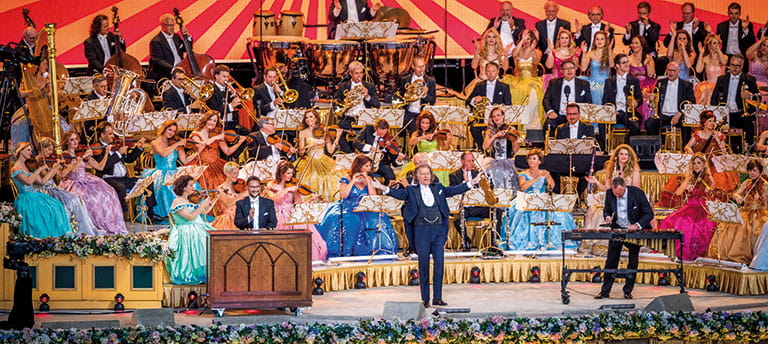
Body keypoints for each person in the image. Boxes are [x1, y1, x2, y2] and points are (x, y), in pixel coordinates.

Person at [372, 164, 480, 308]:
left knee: (439, 264)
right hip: (421, 231)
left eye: (428, 173)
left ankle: (438, 297)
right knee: (423, 265)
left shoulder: (438, 188)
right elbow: (397, 194)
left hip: (438, 230)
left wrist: (471, 182)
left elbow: (454, 190)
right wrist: (381, 187)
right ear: (417, 176)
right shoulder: (411, 190)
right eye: (422, 174)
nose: (426, 176)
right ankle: (425, 298)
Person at [316, 155, 398, 257]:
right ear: (360, 166)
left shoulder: (369, 178)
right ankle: (347, 250)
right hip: (348, 206)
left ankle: (376, 249)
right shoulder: (346, 178)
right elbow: (343, 196)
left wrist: (368, 182)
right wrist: (353, 181)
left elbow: (373, 197)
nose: (369, 168)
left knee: (377, 218)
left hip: (365, 206)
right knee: (349, 219)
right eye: (367, 166)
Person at [501, 149, 577, 251]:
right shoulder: (523, 174)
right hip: (528, 198)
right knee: (519, 211)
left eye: (534, 159)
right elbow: (523, 187)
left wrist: (548, 177)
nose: (531, 161)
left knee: (559, 212)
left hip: (542, 198)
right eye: (530, 159)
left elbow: (552, 186)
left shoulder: (544, 172)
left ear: (539, 161)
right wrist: (536, 178)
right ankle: (529, 242)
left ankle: (552, 241)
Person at [595, 177, 654, 300]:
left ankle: (627, 291)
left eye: (620, 193)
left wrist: (637, 225)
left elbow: (649, 213)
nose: (617, 195)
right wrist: (607, 217)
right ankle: (605, 291)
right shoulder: (610, 193)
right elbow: (607, 210)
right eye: (615, 193)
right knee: (611, 260)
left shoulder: (637, 193)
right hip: (618, 229)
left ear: (625, 187)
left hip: (633, 231)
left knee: (633, 260)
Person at [59, 130, 128, 234]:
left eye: (76, 139)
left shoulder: (81, 153)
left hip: (86, 179)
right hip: (74, 182)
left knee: (108, 192)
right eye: (72, 140)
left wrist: (106, 153)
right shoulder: (65, 156)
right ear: (67, 142)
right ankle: (92, 225)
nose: (75, 142)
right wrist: (82, 158)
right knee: (90, 198)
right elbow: (72, 170)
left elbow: (100, 167)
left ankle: (108, 224)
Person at [583, 144, 642, 254]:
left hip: (628, 199)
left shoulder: (634, 170)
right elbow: (607, 189)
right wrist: (595, 182)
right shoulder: (611, 169)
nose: (624, 156)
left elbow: (636, 190)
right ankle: (602, 243)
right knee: (596, 210)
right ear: (617, 156)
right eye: (621, 154)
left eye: (626, 154)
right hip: (613, 199)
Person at [37, 137, 102, 236]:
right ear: (42, 148)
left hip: (53, 188)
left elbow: (62, 175)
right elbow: (45, 178)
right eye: (49, 149)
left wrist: (73, 164)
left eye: (52, 150)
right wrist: (54, 168)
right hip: (44, 190)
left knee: (76, 199)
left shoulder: (49, 160)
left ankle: (83, 229)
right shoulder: (38, 161)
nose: (51, 152)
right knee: (67, 205)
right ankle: (67, 231)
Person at [707, 159, 768, 265]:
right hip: (746, 209)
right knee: (733, 224)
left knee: (753, 229)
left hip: (759, 212)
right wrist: (737, 196)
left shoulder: (765, 184)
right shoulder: (747, 182)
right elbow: (735, 194)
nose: (751, 173)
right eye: (750, 171)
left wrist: (762, 198)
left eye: (754, 171)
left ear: (760, 171)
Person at [659, 153, 717, 261]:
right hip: (689, 206)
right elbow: (678, 192)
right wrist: (687, 186)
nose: (696, 165)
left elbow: (709, 192)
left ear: (704, 164)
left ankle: (691, 252)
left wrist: (703, 186)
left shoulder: (708, 178)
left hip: (702, 208)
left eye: (699, 163)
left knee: (694, 226)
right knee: (671, 221)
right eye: (694, 163)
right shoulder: (690, 178)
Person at [265, 162, 328, 261]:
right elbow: (273, 199)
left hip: (292, 213)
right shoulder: (272, 184)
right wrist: (288, 189)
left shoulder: (293, 186)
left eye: (291, 173)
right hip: (278, 214)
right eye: (288, 173)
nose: (290, 176)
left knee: (312, 236)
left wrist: (311, 199)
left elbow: (299, 205)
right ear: (281, 173)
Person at [11, 142, 72, 239]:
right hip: (27, 199)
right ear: (21, 152)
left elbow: (42, 182)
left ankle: (57, 237)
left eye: (31, 150)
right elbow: (28, 181)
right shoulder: (16, 169)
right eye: (28, 150)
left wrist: (55, 169)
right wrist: (39, 170)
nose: (30, 153)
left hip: (35, 195)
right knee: (46, 210)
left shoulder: (27, 166)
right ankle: (44, 237)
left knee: (57, 205)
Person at [449, 152, 504, 254]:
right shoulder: (454, 175)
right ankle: (466, 241)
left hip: (479, 206)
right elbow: (453, 192)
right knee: (457, 218)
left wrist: (486, 182)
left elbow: (489, 189)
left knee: (498, 212)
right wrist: (465, 182)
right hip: (465, 207)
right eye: (469, 161)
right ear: (462, 161)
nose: (471, 163)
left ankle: (493, 242)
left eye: (473, 161)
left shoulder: (478, 174)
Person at [90, 122, 148, 215]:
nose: (113, 136)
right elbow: (104, 167)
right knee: (121, 187)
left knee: (146, 182)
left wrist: (138, 148)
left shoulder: (115, 145)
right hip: (108, 179)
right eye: (110, 134)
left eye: (113, 133)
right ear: (102, 134)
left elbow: (129, 159)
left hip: (123, 178)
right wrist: (118, 154)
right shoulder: (97, 148)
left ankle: (150, 214)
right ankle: (122, 215)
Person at [144, 120, 198, 219]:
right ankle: (169, 214)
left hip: (174, 172)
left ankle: (189, 212)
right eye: (170, 130)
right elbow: (163, 154)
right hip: (160, 173)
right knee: (168, 187)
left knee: (192, 185)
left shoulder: (175, 142)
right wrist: (177, 145)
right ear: (164, 129)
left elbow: (185, 160)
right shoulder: (155, 143)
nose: (171, 133)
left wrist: (198, 152)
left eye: (174, 131)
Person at [166, 175, 215, 284]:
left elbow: (205, 211)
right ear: (184, 187)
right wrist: (202, 205)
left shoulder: (189, 200)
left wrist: (214, 198)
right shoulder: (177, 201)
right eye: (191, 185)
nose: (194, 187)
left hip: (197, 228)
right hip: (187, 232)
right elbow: (190, 216)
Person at [188, 111, 247, 190]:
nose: (212, 122)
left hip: (216, 163)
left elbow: (227, 151)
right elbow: (201, 145)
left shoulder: (216, 134)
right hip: (201, 165)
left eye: (214, 121)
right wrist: (215, 138)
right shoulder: (195, 134)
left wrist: (239, 143)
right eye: (210, 119)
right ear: (205, 120)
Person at [710, 54, 759, 148]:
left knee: (748, 124)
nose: (735, 68)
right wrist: (717, 111)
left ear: (742, 66)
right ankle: (718, 149)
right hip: (725, 113)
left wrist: (750, 97)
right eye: (732, 65)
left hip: (740, 112)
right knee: (713, 124)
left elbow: (758, 98)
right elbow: (714, 98)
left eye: (738, 66)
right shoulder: (722, 79)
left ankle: (748, 150)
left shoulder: (749, 80)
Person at [683, 110, 738, 192]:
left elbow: (724, 153)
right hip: (700, 163)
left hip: (713, 165)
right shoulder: (698, 134)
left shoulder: (719, 135)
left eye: (713, 121)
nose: (712, 123)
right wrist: (690, 150)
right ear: (704, 122)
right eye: (710, 121)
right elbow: (687, 146)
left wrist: (718, 140)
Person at [295, 109, 342, 201]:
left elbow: (331, 150)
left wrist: (338, 137)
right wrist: (312, 145)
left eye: (311, 117)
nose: (308, 119)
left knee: (333, 177)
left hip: (324, 160)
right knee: (311, 178)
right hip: (309, 160)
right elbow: (301, 152)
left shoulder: (323, 132)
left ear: (316, 118)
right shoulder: (303, 133)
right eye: (306, 118)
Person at [503, 29, 544, 130]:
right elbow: (514, 55)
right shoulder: (517, 50)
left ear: (533, 40)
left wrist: (531, 48)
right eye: (524, 39)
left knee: (533, 95)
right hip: (518, 80)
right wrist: (522, 40)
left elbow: (536, 61)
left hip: (532, 80)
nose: (526, 41)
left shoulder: (537, 52)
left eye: (528, 39)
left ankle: (531, 128)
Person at [334, 61, 380, 152]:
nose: (359, 76)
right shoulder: (343, 86)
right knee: (339, 130)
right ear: (350, 74)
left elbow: (377, 104)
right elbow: (337, 102)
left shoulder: (369, 86)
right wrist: (347, 102)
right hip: (348, 119)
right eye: (356, 73)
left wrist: (367, 96)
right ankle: (349, 153)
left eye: (361, 73)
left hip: (364, 119)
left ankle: (366, 153)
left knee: (370, 131)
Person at [466, 62, 512, 149]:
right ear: (485, 72)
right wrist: (474, 100)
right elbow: (468, 101)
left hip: (498, 120)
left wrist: (500, 107)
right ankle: (482, 148)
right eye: (488, 71)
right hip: (483, 118)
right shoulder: (479, 85)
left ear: (498, 71)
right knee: (474, 128)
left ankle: (499, 149)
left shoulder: (504, 87)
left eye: (493, 71)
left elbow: (508, 104)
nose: (491, 74)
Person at [644, 62, 695, 136]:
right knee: (650, 123)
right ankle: (656, 146)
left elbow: (691, 102)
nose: (670, 73)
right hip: (662, 115)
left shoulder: (686, 85)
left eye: (673, 70)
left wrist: (680, 114)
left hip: (679, 115)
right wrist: (652, 99)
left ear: (678, 72)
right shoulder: (660, 83)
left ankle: (685, 147)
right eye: (668, 70)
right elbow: (655, 99)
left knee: (686, 125)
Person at [543, 60, 592, 134]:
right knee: (548, 125)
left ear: (575, 69)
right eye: (566, 69)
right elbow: (546, 100)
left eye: (572, 68)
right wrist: (550, 111)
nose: (569, 71)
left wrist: (579, 114)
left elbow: (588, 101)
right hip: (558, 115)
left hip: (576, 116)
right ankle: (549, 145)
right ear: (562, 71)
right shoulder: (554, 83)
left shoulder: (584, 84)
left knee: (586, 127)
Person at [355, 119, 406, 185]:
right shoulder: (368, 129)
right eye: (380, 132)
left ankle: (385, 192)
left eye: (385, 132)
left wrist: (398, 159)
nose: (382, 135)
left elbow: (394, 163)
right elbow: (355, 142)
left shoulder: (390, 138)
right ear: (376, 128)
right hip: (367, 160)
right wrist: (370, 147)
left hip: (382, 162)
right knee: (369, 175)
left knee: (391, 177)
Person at [148, 13, 192, 89]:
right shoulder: (156, 41)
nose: (172, 28)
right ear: (163, 26)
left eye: (173, 25)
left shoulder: (176, 37)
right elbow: (158, 60)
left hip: (180, 69)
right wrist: (173, 69)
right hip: (166, 73)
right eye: (169, 25)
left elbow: (186, 49)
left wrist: (188, 38)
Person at [482, 106, 521, 190]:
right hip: (494, 162)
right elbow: (484, 147)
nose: (496, 118)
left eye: (498, 115)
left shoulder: (510, 129)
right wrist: (495, 136)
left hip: (507, 161)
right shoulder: (490, 131)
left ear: (503, 116)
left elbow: (514, 150)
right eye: (494, 116)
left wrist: (517, 143)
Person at [604, 54, 643, 135]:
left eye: (627, 62)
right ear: (617, 65)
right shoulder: (609, 81)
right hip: (614, 113)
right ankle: (606, 146)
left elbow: (640, 97)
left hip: (628, 113)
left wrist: (636, 102)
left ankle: (629, 147)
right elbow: (605, 100)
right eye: (624, 62)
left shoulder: (634, 80)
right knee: (602, 124)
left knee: (635, 125)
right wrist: (612, 111)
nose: (627, 64)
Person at [407, 112, 451, 184]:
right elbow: (411, 142)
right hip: (422, 159)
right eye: (423, 122)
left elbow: (444, 149)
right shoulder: (416, 133)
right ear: (419, 123)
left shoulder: (436, 134)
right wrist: (423, 137)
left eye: (427, 123)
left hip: (435, 159)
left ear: (431, 124)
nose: (424, 125)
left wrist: (449, 140)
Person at [397, 56, 437, 135]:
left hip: (423, 115)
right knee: (412, 131)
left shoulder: (430, 81)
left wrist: (425, 94)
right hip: (409, 114)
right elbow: (401, 97)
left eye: (423, 66)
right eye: (419, 67)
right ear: (413, 66)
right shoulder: (405, 80)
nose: (421, 69)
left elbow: (432, 101)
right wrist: (409, 93)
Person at [628, 35, 657, 129]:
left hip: (646, 84)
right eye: (632, 43)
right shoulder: (629, 58)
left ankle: (646, 126)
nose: (634, 45)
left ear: (642, 45)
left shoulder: (649, 58)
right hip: (633, 85)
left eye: (636, 43)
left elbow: (651, 74)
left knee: (646, 96)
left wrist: (647, 62)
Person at [205, 65, 245, 133]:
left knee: (248, 134)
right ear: (216, 76)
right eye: (224, 76)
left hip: (231, 123)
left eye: (227, 76)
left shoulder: (228, 89)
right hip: (219, 124)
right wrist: (231, 106)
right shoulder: (210, 90)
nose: (226, 79)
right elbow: (215, 110)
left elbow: (240, 106)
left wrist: (234, 95)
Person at [211, 162, 248, 230]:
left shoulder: (240, 186)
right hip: (228, 219)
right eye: (234, 173)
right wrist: (242, 195)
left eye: (237, 173)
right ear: (227, 174)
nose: (237, 176)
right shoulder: (220, 189)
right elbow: (227, 204)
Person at [579, 30, 613, 104]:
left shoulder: (610, 53)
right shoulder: (590, 53)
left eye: (602, 39)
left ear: (606, 41)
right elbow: (583, 68)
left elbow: (612, 65)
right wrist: (584, 53)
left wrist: (609, 50)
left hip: (605, 84)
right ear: (594, 41)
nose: (599, 41)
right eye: (597, 39)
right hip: (592, 82)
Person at [694, 35, 727, 104]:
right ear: (709, 45)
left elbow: (723, 62)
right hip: (709, 84)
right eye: (714, 43)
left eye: (718, 43)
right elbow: (698, 70)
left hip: (720, 85)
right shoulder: (706, 58)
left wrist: (718, 49)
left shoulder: (724, 57)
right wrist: (701, 53)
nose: (717, 45)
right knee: (705, 89)